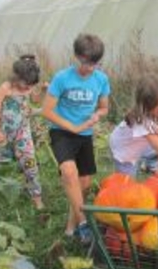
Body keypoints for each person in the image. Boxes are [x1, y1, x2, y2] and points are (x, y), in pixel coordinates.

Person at [42, 34, 110, 243]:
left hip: (85, 135)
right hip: (62, 132)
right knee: (69, 173)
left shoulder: (101, 79)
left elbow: (105, 107)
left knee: (84, 185)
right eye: (86, 63)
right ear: (77, 56)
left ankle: (71, 227)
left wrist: (97, 115)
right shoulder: (62, 78)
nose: (90, 68)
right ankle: (84, 223)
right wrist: (72, 126)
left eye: (95, 64)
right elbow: (47, 111)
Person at [0, 54, 46, 210]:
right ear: (16, 77)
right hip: (4, 134)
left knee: (30, 163)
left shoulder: (29, 87)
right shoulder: (6, 88)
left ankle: (36, 196)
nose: (28, 88)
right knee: (1, 164)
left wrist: (42, 92)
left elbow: (35, 101)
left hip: (22, 133)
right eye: (25, 84)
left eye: (30, 85)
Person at [109, 76, 158, 179]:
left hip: (143, 142)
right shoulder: (140, 121)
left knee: (157, 150)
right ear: (146, 104)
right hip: (124, 150)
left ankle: (150, 164)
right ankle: (143, 164)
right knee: (127, 184)